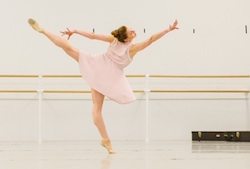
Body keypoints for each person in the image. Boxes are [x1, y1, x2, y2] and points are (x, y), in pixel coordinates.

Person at [28, 18, 179, 154]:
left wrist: (75, 31)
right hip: (107, 76)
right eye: (130, 30)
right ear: (126, 37)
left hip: (97, 67)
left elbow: (93, 36)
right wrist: (168, 30)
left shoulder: (114, 40)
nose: (134, 30)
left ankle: (45, 31)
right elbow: (151, 39)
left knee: (69, 49)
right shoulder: (131, 49)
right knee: (97, 110)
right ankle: (106, 140)